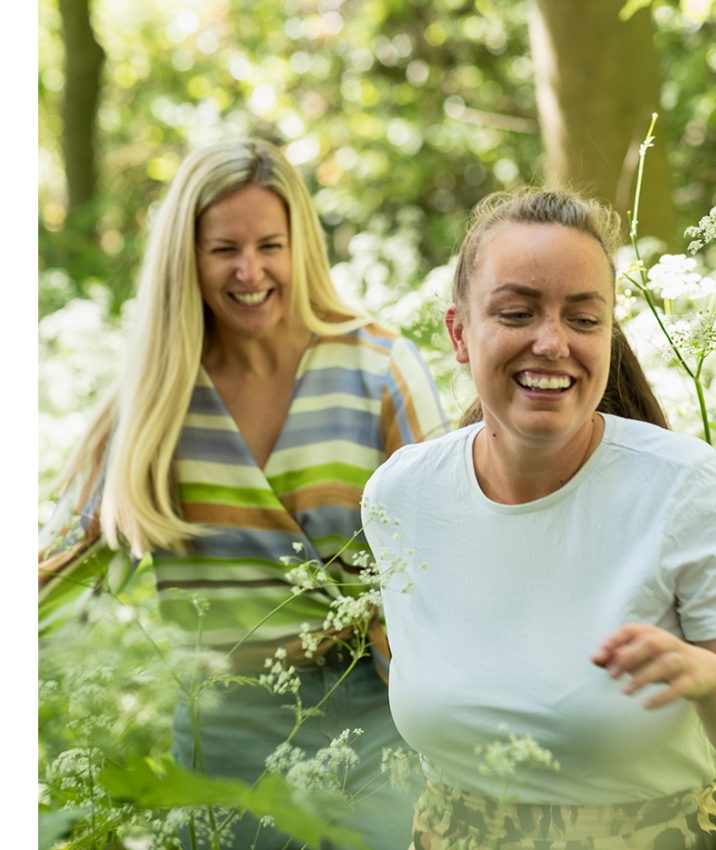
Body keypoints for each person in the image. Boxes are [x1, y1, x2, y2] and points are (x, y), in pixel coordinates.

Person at [40, 138, 449, 849]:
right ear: (186, 258)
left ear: (300, 247)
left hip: (377, 732)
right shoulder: (156, 399)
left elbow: (453, 552)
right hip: (221, 747)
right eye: (223, 248)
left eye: (270, 245)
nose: (250, 270)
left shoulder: (379, 368)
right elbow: (57, 565)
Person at [360, 188, 716, 849]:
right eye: (516, 312)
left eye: (584, 320)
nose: (553, 342)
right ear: (458, 333)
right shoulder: (401, 497)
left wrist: (710, 679)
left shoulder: (686, 488)